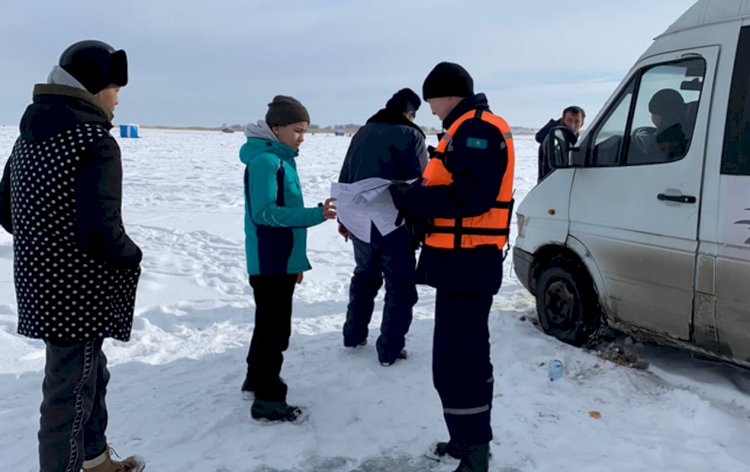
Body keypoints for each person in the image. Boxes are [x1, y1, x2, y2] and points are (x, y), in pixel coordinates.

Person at [0, 40, 144, 472]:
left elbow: (6, 210)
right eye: (115, 88)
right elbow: (102, 229)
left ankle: (96, 460)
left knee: (88, 376)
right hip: (80, 291)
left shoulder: (29, 135)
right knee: (68, 394)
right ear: (96, 87)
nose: (118, 98)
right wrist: (131, 254)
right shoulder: (94, 140)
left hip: (42, 282)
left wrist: (49, 244)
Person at [389, 62, 515, 472]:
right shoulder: (465, 126)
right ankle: (466, 439)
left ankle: (475, 451)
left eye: (432, 102)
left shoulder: (477, 128)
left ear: (448, 94)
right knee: (458, 357)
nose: (431, 111)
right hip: (461, 260)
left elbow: (472, 197)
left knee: (459, 360)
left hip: (469, 260)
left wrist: (412, 201)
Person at [239, 95, 336, 423]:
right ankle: (267, 399)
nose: (302, 137)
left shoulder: (280, 158)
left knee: (267, 324)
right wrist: (315, 214)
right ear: (276, 128)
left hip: (279, 261)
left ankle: (256, 380)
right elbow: (264, 213)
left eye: (305, 130)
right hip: (270, 260)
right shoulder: (266, 162)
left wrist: (295, 263)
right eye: (297, 129)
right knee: (274, 331)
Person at [338, 88, 428, 366]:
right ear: (409, 113)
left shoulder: (362, 133)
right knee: (400, 286)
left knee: (364, 276)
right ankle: (390, 350)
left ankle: (353, 335)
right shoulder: (412, 135)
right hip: (394, 223)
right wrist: (423, 224)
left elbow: (345, 176)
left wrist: (344, 218)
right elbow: (420, 182)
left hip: (358, 219)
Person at [536, 106, 585, 181]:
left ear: (582, 124)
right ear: (563, 120)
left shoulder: (571, 138)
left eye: (577, 121)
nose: (572, 125)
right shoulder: (555, 137)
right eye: (569, 120)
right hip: (551, 182)